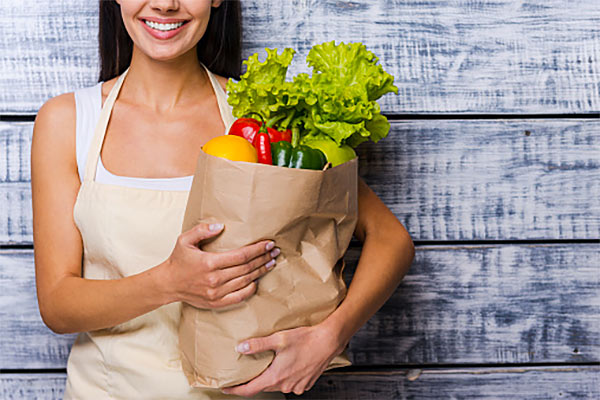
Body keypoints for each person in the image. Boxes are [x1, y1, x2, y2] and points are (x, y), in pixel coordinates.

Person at [30, 0, 414, 398]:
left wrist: (330, 337)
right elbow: (58, 304)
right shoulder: (68, 121)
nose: (165, 4)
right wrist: (170, 283)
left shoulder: (262, 118)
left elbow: (391, 239)